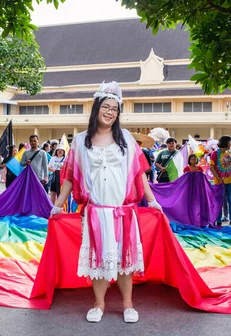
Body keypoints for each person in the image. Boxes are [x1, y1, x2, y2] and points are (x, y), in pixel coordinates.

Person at [51, 81, 162, 323]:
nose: (110, 111)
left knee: (125, 259)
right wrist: (57, 205)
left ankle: (127, 304)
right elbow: (70, 177)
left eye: (115, 108)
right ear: (96, 108)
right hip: (95, 213)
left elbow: (139, 174)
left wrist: (153, 202)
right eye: (106, 106)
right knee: (99, 260)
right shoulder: (80, 142)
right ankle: (99, 304)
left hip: (124, 211)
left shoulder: (126, 140)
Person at [209, 136, 231, 227]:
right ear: (225, 143)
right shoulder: (214, 154)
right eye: (230, 142)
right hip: (220, 182)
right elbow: (212, 167)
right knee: (220, 201)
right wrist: (218, 178)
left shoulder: (230, 153)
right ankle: (218, 221)